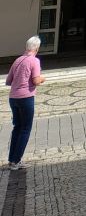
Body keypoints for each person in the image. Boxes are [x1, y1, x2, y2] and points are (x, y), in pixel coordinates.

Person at [5, 36, 45, 170]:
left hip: (13, 98)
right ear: (37, 48)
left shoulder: (18, 60)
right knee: (25, 129)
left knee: (17, 127)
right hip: (26, 98)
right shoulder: (34, 61)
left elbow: (8, 81)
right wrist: (43, 78)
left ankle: (12, 160)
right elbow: (36, 80)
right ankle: (16, 161)